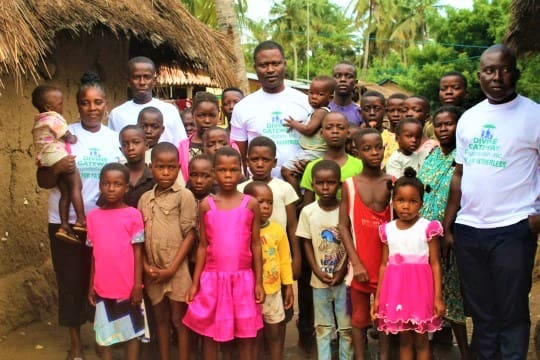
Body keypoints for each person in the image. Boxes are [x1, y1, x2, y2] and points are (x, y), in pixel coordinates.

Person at [444, 44, 540, 359]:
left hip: (513, 227)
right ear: (479, 75)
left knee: (511, 312)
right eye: (489, 70)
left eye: (504, 69)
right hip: (470, 229)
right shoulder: (470, 118)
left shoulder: (534, 115)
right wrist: (449, 224)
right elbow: (459, 174)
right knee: (482, 314)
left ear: (517, 72)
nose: (497, 76)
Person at [36, 72, 123, 360]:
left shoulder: (115, 139)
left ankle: (101, 337)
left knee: (102, 282)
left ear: (106, 104)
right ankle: (75, 342)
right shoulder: (61, 131)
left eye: (98, 102)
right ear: (77, 105)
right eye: (85, 103)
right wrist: (58, 167)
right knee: (70, 282)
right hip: (66, 223)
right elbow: (44, 180)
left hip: (104, 223)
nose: (92, 108)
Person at [183, 147, 264, 360]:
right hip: (212, 279)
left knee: (245, 332)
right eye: (222, 170)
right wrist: (195, 283)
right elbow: (202, 246)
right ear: (214, 172)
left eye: (233, 170)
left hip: (243, 279)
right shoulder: (206, 206)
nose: (228, 176)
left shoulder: (251, 204)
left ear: (241, 170)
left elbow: (256, 245)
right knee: (210, 331)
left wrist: (258, 282)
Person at [372, 168, 445, 359]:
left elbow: (435, 264)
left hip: (421, 293)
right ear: (393, 202)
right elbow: (383, 265)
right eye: (401, 200)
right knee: (404, 340)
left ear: (421, 203)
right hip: (396, 292)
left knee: (421, 340)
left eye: (413, 201)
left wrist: (437, 297)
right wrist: (378, 298)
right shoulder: (387, 230)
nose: (406, 206)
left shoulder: (428, 228)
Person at [417, 105, 469, 358]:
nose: (444, 129)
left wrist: (449, 230)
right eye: (439, 125)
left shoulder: (464, 157)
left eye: (449, 124)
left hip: (450, 235)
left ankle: (466, 351)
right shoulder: (432, 155)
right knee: (426, 292)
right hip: (423, 237)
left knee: (452, 294)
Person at [138, 142, 197, 360]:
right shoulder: (145, 199)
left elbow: (190, 234)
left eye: (171, 167)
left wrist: (172, 269)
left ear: (179, 167)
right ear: (151, 167)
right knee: (160, 318)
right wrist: (145, 266)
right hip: (152, 270)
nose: (165, 172)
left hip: (177, 269)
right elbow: (139, 237)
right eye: (160, 167)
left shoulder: (184, 196)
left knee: (178, 319)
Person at [339, 128, 392, 360]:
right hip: (360, 264)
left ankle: (383, 356)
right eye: (367, 148)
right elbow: (343, 227)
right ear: (357, 151)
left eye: (378, 147)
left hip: (388, 264)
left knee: (385, 317)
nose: (374, 152)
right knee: (359, 319)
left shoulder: (393, 183)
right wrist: (356, 262)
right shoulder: (349, 184)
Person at [87, 163, 147, 360]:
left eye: (117, 184)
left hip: (127, 287)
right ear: (100, 185)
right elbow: (94, 255)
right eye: (106, 183)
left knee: (131, 333)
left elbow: (138, 253)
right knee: (105, 335)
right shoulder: (93, 217)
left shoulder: (133, 215)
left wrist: (137, 285)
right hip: (103, 287)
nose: (111, 188)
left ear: (126, 187)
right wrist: (91, 286)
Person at [230, 40, 311, 178]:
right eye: (264, 65)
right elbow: (239, 156)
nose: (270, 70)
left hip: (300, 187)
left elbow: (318, 144)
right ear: (255, 68)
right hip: (258, 192)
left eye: (276, 63)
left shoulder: (306, 102)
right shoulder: (243, 107)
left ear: (284, 65)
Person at [297, 160, 353, 360]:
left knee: (346, 328)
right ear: (313, 184)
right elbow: (306, 243)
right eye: (320, 183)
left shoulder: (346, 211)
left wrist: (342, 271)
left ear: (339, 184)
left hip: (344, 281)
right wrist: (316, 270)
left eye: (331, 182)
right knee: (322, 327)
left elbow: (350, 244)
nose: (325, 187)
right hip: (318, 281)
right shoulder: (308, 211)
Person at [243, 181, 293, 360]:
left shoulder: (277, 230)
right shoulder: (243, 230)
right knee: (253, 337)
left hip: (272, 292)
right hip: (248, 294)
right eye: (260, 202)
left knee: (275, 334)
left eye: (270, 202)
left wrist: (288, 286)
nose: (265, 206)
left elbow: (284, 259)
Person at [238, 136, 300, 278]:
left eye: (266, 160)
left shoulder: (284, 188)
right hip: (249, 256)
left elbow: (292, 226)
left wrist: (296, 258)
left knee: (282, 294)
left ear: (274, 162)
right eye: (254, 160)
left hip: (280, 254)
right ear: (247, 162)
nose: (260, 164)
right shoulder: (240, 189)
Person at [31, 85, 85, 244]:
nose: (63, 106)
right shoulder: (54, 117)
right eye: (60, 103)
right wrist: (73, 138)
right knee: (76, 185)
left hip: (46, 158)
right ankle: (81, 220)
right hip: (58, 156)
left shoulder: (39, 120)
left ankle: (64, 226)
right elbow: (65, 134)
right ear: (48, 107)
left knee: (65, 192)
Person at [108, 56, 187, 145]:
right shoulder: (117, 114)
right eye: (136, 77)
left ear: (154, 81)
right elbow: (114, 148)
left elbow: (181, 145)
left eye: (147, 77)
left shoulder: (170, 111)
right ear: (128, 82)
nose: (142, 82)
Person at [281, 75, 335, 192]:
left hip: (315, 152)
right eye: (311, 93)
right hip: (312, 151)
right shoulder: (315, 112)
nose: (314, 97)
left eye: (320, 94)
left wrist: (294, 124)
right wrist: (302, 122)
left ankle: (297, 198)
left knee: (286, 170)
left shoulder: (321, 112)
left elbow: (308, 130)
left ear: (330, 98)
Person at [300, 111, 363, 206]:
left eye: (340, 128)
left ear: (348, 133)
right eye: (329, 128)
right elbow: (308, 206)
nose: (335, 131)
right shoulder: (312, 167)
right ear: (321, 133)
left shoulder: (360, 166)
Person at [178, 92, 221, 182]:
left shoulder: (229, 144)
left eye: (212, 115)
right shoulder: (183, 147)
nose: (207, 120)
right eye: (201, 115)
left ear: (219, 115)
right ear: (193, 115)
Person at [119, 125, 155, 208]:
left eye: (136, 142)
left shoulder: (154, 177)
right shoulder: (116, 176)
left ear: (146, 145)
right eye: (125, 144)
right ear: (121, 150)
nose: (130, 148)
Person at [329, 61, 363, 126]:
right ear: (331, 81)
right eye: (337, 76)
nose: (343, 79)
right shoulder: (322, 111)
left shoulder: (361, 113)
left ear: (355, 83)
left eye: (349, 76)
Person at [383, 93, 407, 166]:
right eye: (392, 110)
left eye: (400, 110)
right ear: (386, 112)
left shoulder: (411, 139)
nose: (396, 114)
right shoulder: (380, 136)